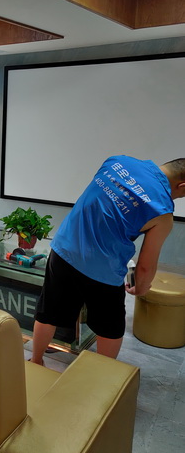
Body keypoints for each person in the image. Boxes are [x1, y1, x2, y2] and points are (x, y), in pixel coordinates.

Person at [31, 154, 185, 365]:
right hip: (104, 270)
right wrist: (140, 287)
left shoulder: (117, 162)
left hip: (64, 250)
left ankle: (36, 360)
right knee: (110, 329)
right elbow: (146, 266)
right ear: (182, 185)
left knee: (48, 312)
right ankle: (100, 377)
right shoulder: (163, 213)